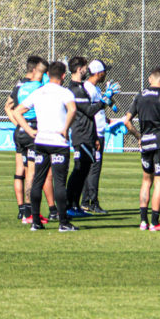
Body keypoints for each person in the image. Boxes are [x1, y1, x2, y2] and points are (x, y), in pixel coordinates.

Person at [14, 61, 78, 232]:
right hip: (58, 142)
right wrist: (65, 128)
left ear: (47, 75)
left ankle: (35, 221)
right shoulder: (65, 92)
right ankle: (63, 223)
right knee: (59, 183)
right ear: (64, 76)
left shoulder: (39, 92)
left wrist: (29, 130)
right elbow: (72, 109)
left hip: (41, 141)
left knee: (37, 180)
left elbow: (17, 111)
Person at [121, 67, 160, 231]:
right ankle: (155, 222)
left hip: (146, 142)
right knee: (159, 181)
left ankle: (143, 221)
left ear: (149, 79)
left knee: (146, 181)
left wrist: (138, 136)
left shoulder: (140, 95)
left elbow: (126, 121)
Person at [3, 55, 53, 224]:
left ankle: (23, 211)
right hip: (32, 130)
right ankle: (31, 214)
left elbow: (8, 107)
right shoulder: (39, 87)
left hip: (20, 131)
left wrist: (20, 124)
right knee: (32, 173)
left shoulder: (20, 86)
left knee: (20, 172)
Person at [66, 59, 112, 217]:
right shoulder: (77, 88)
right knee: (79, 171)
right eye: (85, 68)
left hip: (89, 133)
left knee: (83, 171)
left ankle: (76, 205)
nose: (87, 70)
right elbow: (89, 111)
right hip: (82, 134)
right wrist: (104, 101)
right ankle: (71, 205)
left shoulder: (80, 87)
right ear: (80, 69)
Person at [81, 60, 118, 214]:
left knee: (90, 168)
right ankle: (91, 202)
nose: (105, 74)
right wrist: (96, 134)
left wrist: (110, 100)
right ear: (98, 72)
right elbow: (90, 111)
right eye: (104, 71)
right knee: (93, 169)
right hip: (94, 134)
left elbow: (110, 108)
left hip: (98, 132)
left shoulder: (95, 88)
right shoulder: (88, 88)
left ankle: (85, 202)